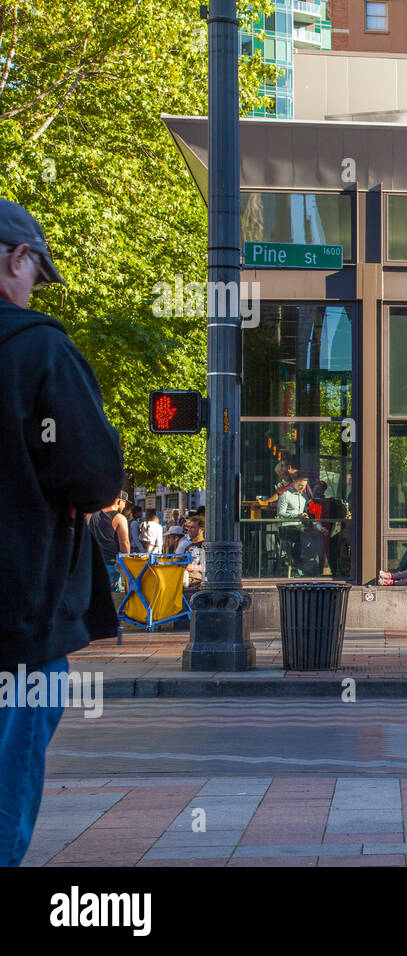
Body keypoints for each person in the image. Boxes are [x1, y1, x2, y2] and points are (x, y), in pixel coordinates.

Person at [0, 197, 124, 866]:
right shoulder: (40, 349)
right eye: (33, 271)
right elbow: (95, 474)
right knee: (7, 789)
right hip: (26, 612)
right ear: (16, 260)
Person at [87, 493, 131, 592]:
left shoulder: (89, 516)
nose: (124, 507)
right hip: (111, 566)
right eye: (125, 503)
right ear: (119, 501)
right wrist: (127, 564)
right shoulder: (119, 518)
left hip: (92, 565)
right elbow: (124, 544)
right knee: (113, 600)